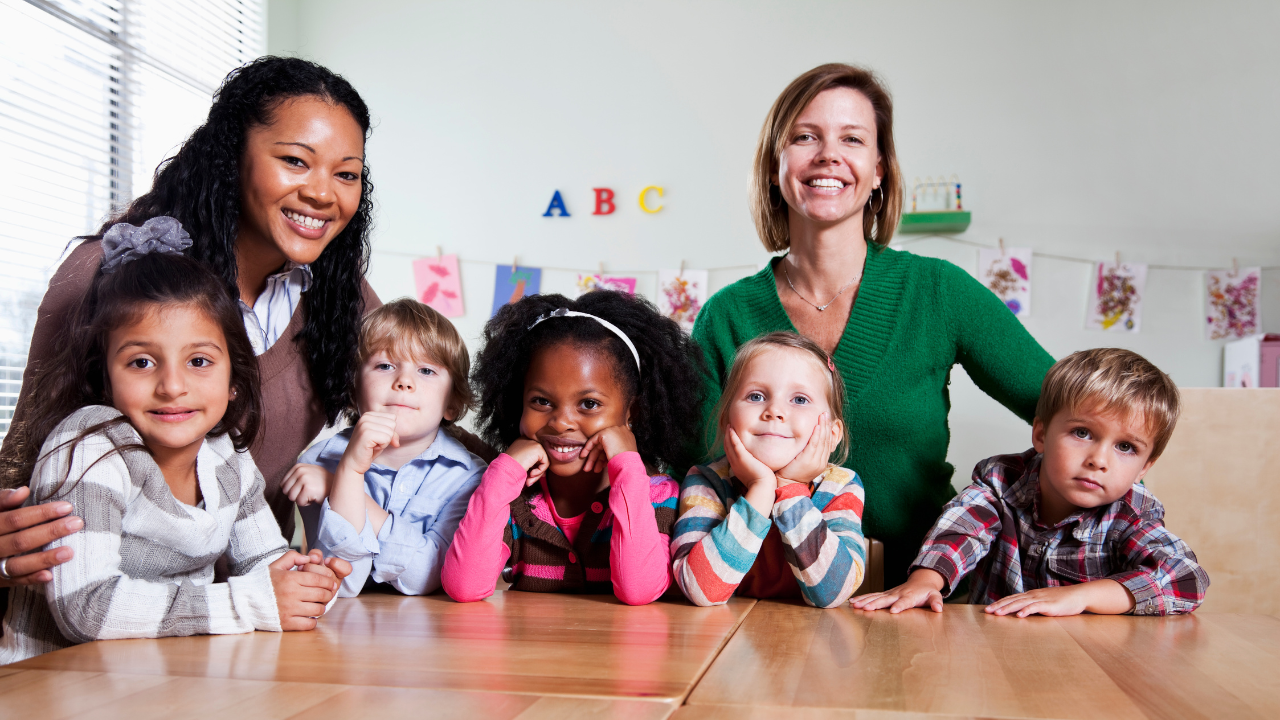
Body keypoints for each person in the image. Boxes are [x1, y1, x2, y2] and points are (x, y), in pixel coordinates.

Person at [0, 56, 379, 593]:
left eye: (346, 174)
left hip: (253, 608)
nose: (323, 193)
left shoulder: (341, 295)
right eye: (295, 161)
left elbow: (423, 406)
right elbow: (21, 463)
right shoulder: (110, 273)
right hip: (106, 611)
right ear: (232, 155)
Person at [692, 63, 1055, 586]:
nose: (828, 155)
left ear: (879, 168)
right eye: (805, 137)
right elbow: (690, 470)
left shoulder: (938, 290)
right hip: (759, 599)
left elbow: (1072, 412)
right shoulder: (726, 315)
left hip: (923, 595)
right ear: (775, 165)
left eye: (852, 138)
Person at [0, 221, 350, 664]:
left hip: (158, 677)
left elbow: (265, 563)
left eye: (199, 361)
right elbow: (86, 609)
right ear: (105, 377)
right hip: (55, 682)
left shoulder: (226, 454)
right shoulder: (89, 447)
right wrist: (250, 603)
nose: (172, 386)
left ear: (234, 380)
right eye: (141, 362)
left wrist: (305, 582)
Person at [853, 348, 1209, 617]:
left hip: (1092, 662)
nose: (1099, 460)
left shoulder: (1132, 513)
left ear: (1145, 467)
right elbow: (963, 528)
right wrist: (926, 580)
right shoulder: (1001, 483)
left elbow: (1186, 577)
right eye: (1082, 433)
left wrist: (1082, 596)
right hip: (995, 652)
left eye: (1126, 447)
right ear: (1041, 434)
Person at [441, 291, 704, 605]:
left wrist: (627, 465)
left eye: (589, 404)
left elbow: (640, 590)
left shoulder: (655, 495)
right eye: (541, 401)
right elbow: (464, 586)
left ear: (631, 412)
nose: (561, 422)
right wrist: (504, 471)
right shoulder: (512, 495)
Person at [284, 299, 486, 597]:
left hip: (430, 622)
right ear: (353, 389)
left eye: (426, 370)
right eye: (385, 366)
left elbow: (426, 576)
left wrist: (337, 485)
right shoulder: (319, 461)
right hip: (343, 621)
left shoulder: (469, 475)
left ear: (452, 403)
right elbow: (342, 581)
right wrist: (350, 470)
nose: (404, 381)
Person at [673, 332, 866, 608]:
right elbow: (700, 589)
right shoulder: (707, 482)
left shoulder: (841, 486)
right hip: (723, 630)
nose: (774, 410)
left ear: (832, 433)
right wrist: (761, 490)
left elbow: (832, 593)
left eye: (799, 400)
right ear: (726, 420)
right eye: (756, 396)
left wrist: (791, 489)